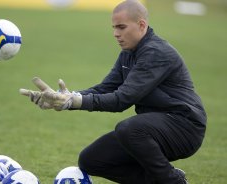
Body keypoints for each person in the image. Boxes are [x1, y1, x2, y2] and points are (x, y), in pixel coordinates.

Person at [20, 0, 207, 183]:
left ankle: (172, 181)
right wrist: (65, 98)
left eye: (121, 27)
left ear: (141, 25)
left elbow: (122, 99)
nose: (116, 34)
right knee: (91, 160)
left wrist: (73, 102)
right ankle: (161, 178)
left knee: (129, 129)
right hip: (152, 129)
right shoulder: (128, 52)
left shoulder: (156, 52)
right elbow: (105, 88)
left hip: (185, 127)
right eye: (114, 28)